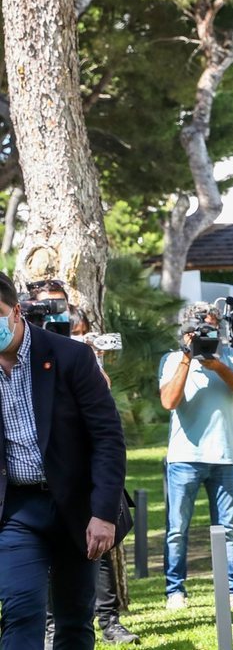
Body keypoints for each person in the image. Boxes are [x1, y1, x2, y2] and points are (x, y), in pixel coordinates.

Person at [0, 272, 130, 649]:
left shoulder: (69, 356)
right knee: (22, 611)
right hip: (17, 512)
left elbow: (107, 437)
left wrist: (104, 513)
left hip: (77, 505)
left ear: (16, 313)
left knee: (74, 620)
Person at [159, 303, 233, 609]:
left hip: (224, 456)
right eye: (201, 330)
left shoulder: (231, 357)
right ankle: (175, 591)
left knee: (227, 529)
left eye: (212, 328)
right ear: (186, 331)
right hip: (184, 456)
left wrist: (219, 366)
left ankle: (230, 591)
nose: (207, 335)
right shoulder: (172, 360)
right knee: (177, 529)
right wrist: (187, 356)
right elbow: (169, 401)